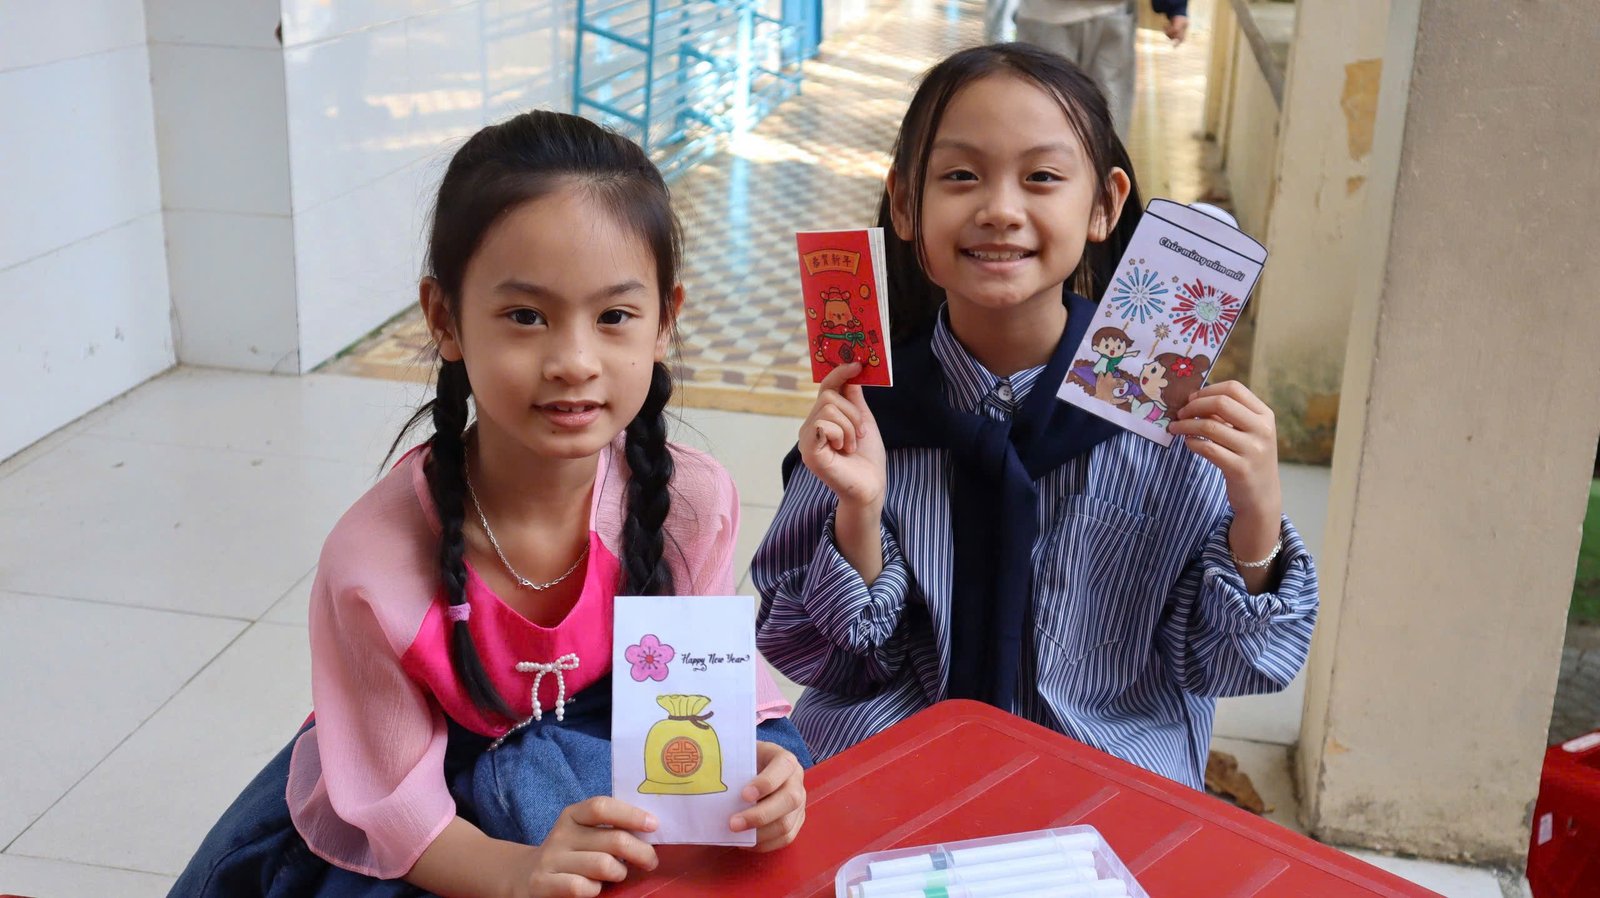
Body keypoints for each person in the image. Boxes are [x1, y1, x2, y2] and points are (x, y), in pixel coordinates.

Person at [171, 110, 810, 898]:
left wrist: (759, 773)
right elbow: (396, 808)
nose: (574, 361)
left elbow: (697, 697)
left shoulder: (689, 502)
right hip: (436, 824)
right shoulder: (373, 563)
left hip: (606, 753)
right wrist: (516, 872)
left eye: (614, 317)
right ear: (445, 319)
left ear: (664, 322)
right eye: (526, 317)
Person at [752, 44, 1318, 791]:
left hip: (1106, 784)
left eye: (1042, 177)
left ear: (1105, 204)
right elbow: (816, 659)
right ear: (905, 204)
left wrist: (1258, 518)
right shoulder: (867, 416)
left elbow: (1226, 663)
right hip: (891, 774)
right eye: (960, 175)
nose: (999, 209)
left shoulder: (1168, 419)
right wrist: (858, 516)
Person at [996, 0, 1190, 137]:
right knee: (1040, 116)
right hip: (1044, 16)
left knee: (1108, 122)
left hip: (1111, 15)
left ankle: (1103, 181)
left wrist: (1176, 7)